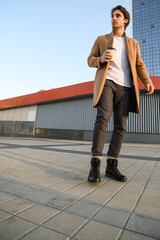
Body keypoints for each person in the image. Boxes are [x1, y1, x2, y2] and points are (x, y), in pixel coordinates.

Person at [87, 5, 154, 183]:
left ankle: (112, 165)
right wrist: (100, 59)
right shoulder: (102, 39)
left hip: (126, 87)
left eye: (118, 16)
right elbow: (90, 60)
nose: (113, 18)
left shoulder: (133, 43)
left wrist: (147, 81)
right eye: (112, 16)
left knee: (120, 126)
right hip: (107, 82)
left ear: (125, 20)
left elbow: (139, 65)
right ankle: (95, 164)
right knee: (102, 118)